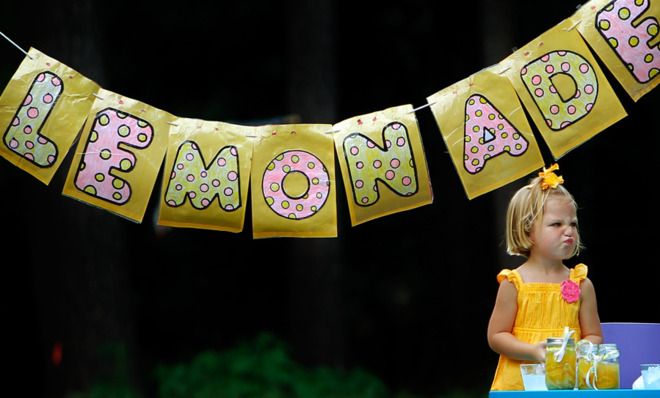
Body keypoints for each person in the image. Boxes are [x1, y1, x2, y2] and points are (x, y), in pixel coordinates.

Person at [487, 163, 603, 391]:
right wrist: (532, 351)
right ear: (528, 231)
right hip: (521, 384)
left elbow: (594, 335)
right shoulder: (514, 283)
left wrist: (577, 352)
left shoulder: (581, 284)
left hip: (568, 384)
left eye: (573, 223)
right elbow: (497, 336)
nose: (568, 230)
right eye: (556, 224)